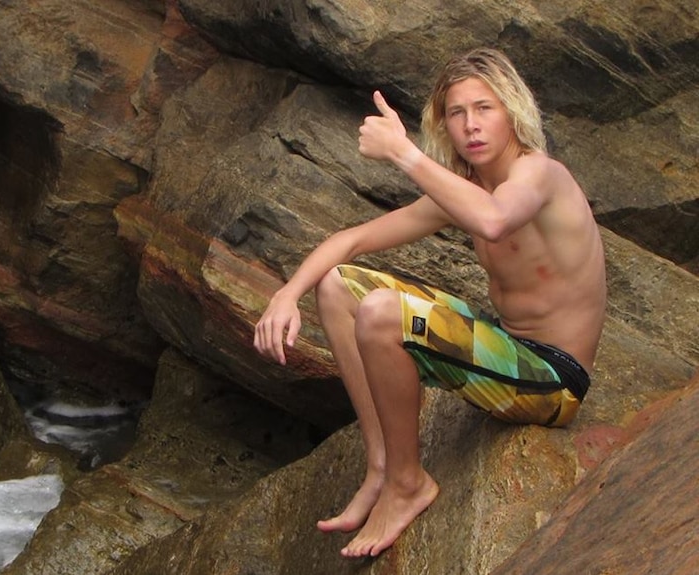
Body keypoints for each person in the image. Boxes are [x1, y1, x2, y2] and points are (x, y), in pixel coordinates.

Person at [253, 48, 607, 558]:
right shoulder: (465, 187)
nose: (472, 126)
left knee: (381, 314)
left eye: (485, 108)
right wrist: (287, 294)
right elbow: (351, 242)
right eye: (457, 113)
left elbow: (492, 220)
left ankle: (408, 483)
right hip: (507, 347)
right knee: (336, 284)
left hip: (552, 380)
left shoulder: (539, 174)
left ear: (513, 111)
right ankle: (380, 466)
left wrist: (403, 153)